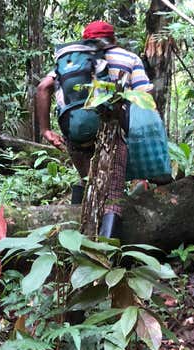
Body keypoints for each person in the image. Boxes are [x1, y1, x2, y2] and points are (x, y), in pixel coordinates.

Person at [35, 20, 154, 238]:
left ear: (86, 40)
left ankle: (77, 236)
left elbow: (43, 87)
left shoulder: (72, 60)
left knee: (89, 182)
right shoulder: (129, 58)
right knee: (113, 195)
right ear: (113, 38)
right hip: (112, 134)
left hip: (77, 135)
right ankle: (105, 255)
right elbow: (145, 96)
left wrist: (45, 130)